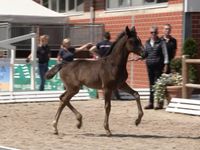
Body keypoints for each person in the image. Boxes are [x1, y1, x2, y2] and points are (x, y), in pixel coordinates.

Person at [142, 26, 169, 109]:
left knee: (158, 84)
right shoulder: (147, 43)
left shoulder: (161, 42)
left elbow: (165, 53)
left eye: (155, 32)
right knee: (151, 84)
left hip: (158, 66)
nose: (153, 34)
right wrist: (140, 57)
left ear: (157, 33)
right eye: (151, 32)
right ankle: (151, 103)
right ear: (150, 33)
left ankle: (159, 103)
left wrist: (166, 64)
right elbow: (145, 54)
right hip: (149, 66)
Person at [90, 32, 121, 100]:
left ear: (103, 37)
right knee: (113, 78)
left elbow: (91, 49)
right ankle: (116, 95)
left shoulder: (100, 44)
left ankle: (103, 95)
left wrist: (98, 55)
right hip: (110, 64)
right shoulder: (111, 44)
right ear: (109, 37)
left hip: (101, 62)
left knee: (101, 79)